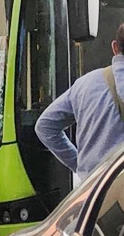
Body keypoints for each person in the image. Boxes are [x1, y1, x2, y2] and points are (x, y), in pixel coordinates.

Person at [35, 23, 124, 180]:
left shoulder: (86, 84)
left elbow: (45, 126)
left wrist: (81, 166)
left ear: (115, 47)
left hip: (96, 193)